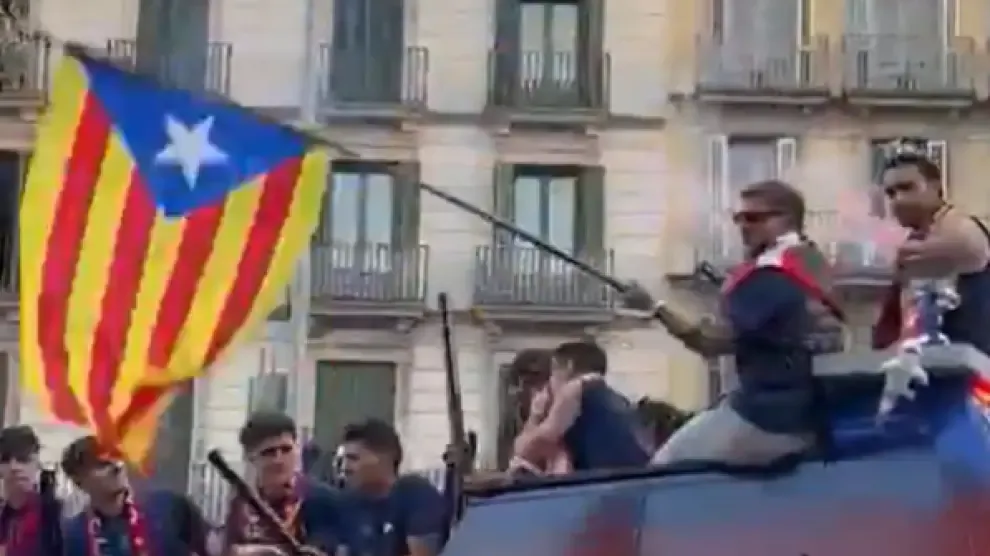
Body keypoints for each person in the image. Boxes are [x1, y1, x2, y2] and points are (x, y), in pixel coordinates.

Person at [623, 180, 841, 465]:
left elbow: (709, 342)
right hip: (805, 411)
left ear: (786, 220)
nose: (743, 227)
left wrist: (653, 306)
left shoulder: (769, 275)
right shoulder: (809, 261)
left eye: (754, 218)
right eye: (739, 218)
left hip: (767, 416)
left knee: (665, 467)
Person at [872, 139, 990, 355]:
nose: (897, 199)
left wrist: (905, 255)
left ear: (936, 187)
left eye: (907, 188)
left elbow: (972, 247)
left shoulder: (957, 223)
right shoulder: (917, 238)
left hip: (969, 366)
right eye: (890, 193)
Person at [61, 435, 213, 556]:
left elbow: (211, 548)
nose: (117, 466)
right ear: (78, 481)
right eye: (102, 464)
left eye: (117, 457)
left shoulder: (170, 507)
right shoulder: (73, 535)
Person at [511, 341, 650, 473]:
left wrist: (535, 415)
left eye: (554, 372)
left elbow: (531, 448)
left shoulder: (575, 388)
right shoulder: (618, 399)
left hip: (600, 483)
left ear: (569, 366)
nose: (551, 381)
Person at [224, 411, 342, 556]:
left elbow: (323, 548)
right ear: (250, 457)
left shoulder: (321, 499)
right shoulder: (242, 503)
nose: (279, 460)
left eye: (286, 450)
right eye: (269, 452)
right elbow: (228, 548)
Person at [337, 418, 446, 556]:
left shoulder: (414, 494)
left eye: (353, 458)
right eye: (342, 460)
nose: (344, 467)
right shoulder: (349, 503)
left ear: (384, 459)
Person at [0, 425, 61, 556]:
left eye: (23, 459)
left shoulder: (57, 514)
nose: (14, 466)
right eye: (5, 459)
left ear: (36, 463)